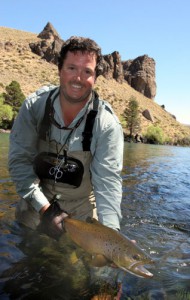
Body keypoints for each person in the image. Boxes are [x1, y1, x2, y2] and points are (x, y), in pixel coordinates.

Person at [8, 36, 124, 241]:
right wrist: (44, 209)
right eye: (71, 68)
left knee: (99, 271)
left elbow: (107, 183)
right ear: (60, 70)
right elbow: (19, 163)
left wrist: (112, 236)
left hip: (82, 213)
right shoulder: (34, 107)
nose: (78, 78)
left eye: (87, 71)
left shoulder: (107, 124)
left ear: (95, 77)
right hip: (36, 202)